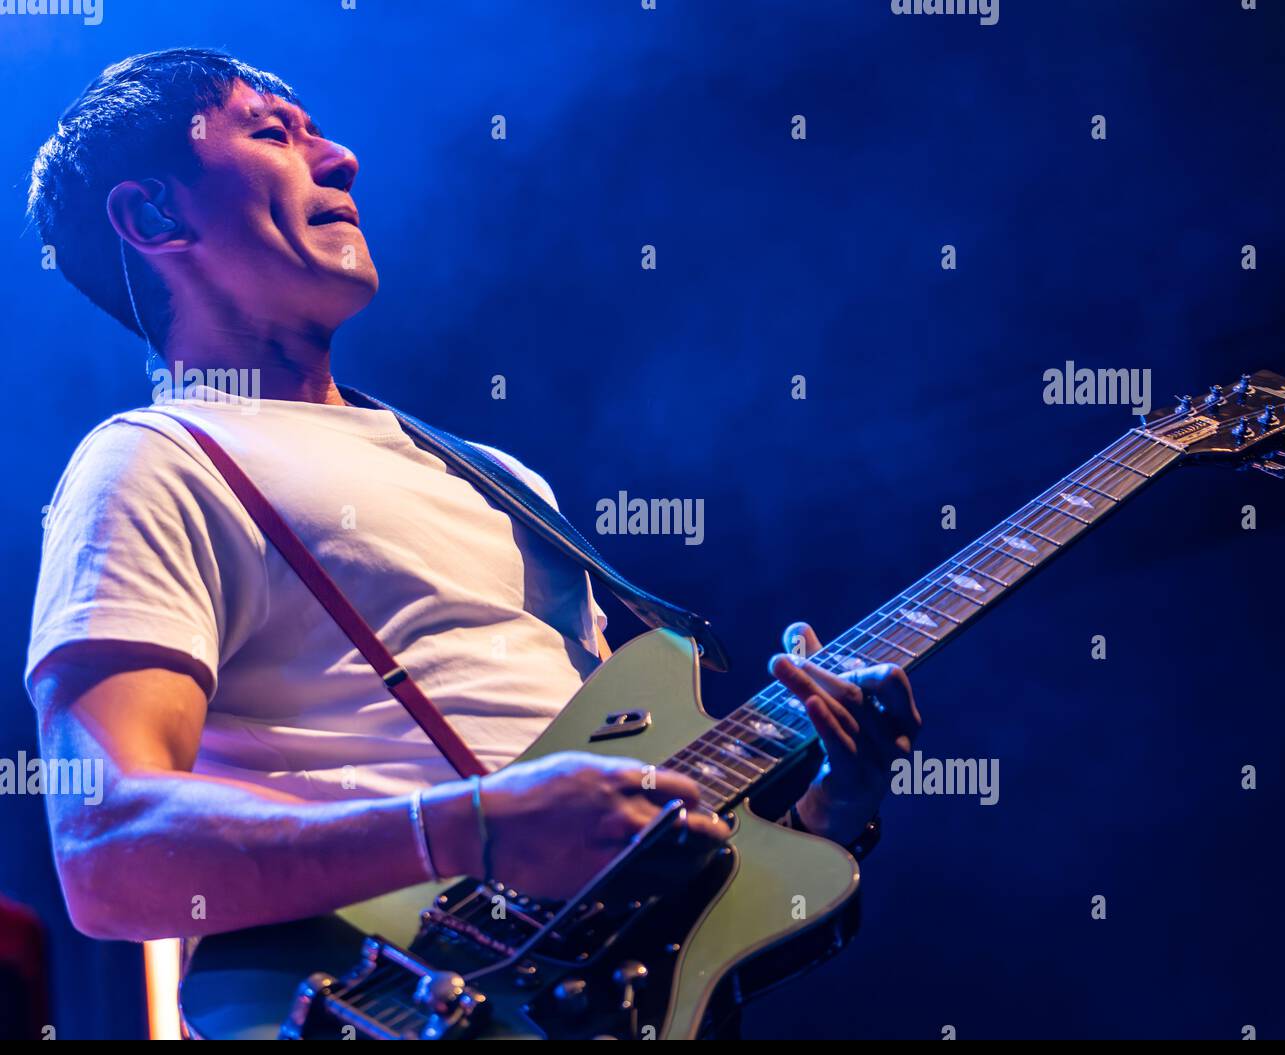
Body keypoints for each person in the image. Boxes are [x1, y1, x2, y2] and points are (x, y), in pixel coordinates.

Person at [25, 49, 920, 944]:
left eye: (317, 132)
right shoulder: (155, 459)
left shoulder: (500, 478)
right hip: (384, 997)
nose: (341, 158)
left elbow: (638, 875)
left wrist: (824, 808)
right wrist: (475, 826)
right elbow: (107, 846)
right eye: (273, 134)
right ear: (151, 214)